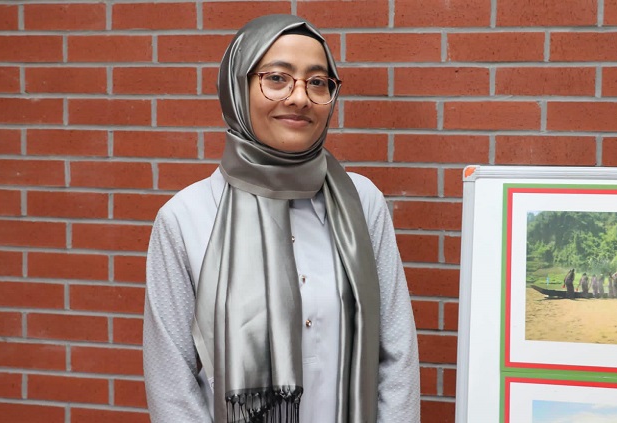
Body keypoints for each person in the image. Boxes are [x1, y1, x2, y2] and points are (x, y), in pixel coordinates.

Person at [142, 14, 420, 423]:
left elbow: (397, 354)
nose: (299, 97)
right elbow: (171, 383)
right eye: (277, 78)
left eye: (317, 81)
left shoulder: (363, 203)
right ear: (236, 87)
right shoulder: (186, 217)